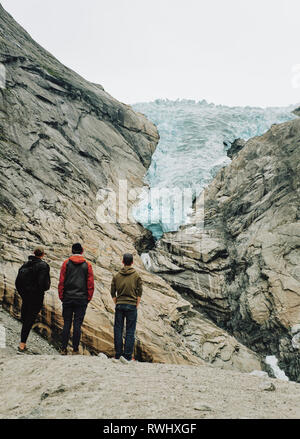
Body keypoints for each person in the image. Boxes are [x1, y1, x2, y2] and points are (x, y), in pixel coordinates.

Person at [58, 243, 94, 355]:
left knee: (67, 323)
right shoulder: (87, 265)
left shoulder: (66, 263)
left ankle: (63, 349)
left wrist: (61, 296)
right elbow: (90, 283)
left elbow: (61, 282)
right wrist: (88, 297)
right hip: (81, 299)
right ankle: (75, 350)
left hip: (68, 298)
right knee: (77, 324)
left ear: (72, 251)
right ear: (82, 251)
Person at [15, 246, 50, 353]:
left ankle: (22, 343)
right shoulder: (43, 266)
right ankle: (22, 345)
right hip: (36, 298)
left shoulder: (25, 264)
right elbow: (43, 284)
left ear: (34, 253)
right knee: (29, 320)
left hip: (26, 296)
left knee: (26, 319)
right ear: (42, 254)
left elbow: (18, 282)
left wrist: (24, 294)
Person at [111, 253, 143, 362]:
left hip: (119, 305)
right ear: (132, 262)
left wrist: (117, 302)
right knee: (130, 330)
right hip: (131, 305)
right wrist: (136, 304)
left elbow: (112, 292)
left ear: (123, 262)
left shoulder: (117, 276)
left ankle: (118, 354)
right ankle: (128, 356)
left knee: (118, 329)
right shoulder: (136, 275)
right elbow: (140, 292)